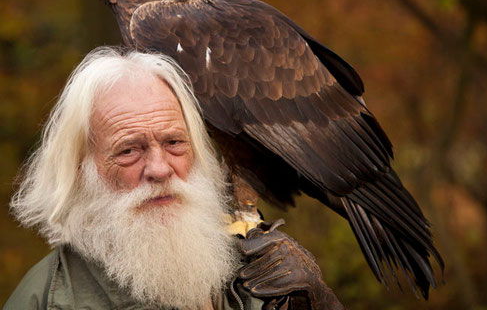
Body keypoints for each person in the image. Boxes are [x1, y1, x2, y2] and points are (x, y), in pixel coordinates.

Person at [5, 47, 343, 310]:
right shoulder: (45, 300)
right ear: (80, 170)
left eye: (174, 143)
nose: (160, 169)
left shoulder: (258, 269)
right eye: (128, 151)